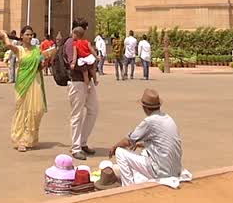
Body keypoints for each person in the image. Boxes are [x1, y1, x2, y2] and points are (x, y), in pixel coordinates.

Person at [97, 88, 185, 187]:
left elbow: (128, 140)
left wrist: (114, 147)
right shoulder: (168, 118)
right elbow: (161, 142)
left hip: (161, 172)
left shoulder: (149, 121)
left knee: (120, 152)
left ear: (145, 107)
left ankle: (127, 187)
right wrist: (142, 144)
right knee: (144, 152)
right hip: (175, 170)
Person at [0, 27, 52, 152]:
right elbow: (8, 45)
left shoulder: (37, 49)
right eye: (27, 35)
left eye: (31, 35)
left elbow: (40, 64)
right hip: (23, 83)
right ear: (22, 36)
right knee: (22, 111)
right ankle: (21, 140)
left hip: (36, 81)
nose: (30, 37)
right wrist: (4, 35)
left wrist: (42, 64)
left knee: (37, 110)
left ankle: (30, 138)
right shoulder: (19, 49)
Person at [67, 22, 100, 161]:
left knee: (93, 109)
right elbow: (71, 62)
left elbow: (92, 52)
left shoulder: (84, 42)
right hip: (77, 82)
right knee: (77, 115)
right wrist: (87, 65)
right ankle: (76, 147)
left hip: (87, 81)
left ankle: (82, 142)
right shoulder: (70, 44)